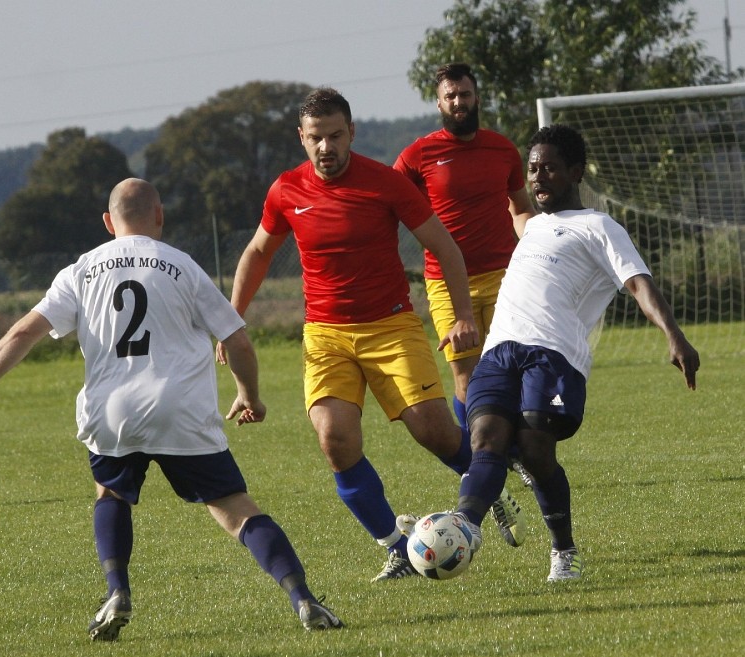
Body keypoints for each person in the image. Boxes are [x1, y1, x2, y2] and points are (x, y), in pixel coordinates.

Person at [0, 177, 343, 639]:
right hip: (180, 411)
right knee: (234, 507)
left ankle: (116, 591)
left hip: (111, 414)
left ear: (109, 222)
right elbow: (238, 342)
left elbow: (22, 333)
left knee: (110, 495)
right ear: (159, 216)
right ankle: (303, 598)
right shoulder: (183, 266)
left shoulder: (82, 270)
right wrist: (250, 396)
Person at [219, 87, 524, 583]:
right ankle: (398, 547)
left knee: (433, 430)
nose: (326, 147)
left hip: (391, 326)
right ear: (302, 138)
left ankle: (491, 488)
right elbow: (258, 252)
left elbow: (444, 247)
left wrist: (462, 314)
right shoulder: (285, 191)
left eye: (336, 136)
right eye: (316, 138)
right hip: (326, 336)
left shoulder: (385, 183)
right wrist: (231, 318)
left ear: (352, 133)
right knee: (334, 439)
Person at [448, 124, 699, 580]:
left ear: (576, 172)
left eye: (549, 169)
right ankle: (463, 527)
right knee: (483, 436)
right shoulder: (534, 227)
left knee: (535, 443)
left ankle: (564, 551)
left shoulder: (600, 227)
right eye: (533, 169)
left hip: (553, 353)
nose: (538, 177)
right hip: (501, 348)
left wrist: (674, 335)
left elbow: (638, 283)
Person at [393, 63, 539, 519]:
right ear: (439, 103)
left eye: (467, 94)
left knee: (512, 369)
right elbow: (388, 206)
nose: (460, 102)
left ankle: (522, 456)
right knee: (465, 377)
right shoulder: (417, 156)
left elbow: (520, 208)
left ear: (478, 97)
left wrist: (534, 241)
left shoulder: (501, 149)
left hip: (504, 275)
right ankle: (481, 461)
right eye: (451, 96)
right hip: (443, 282)